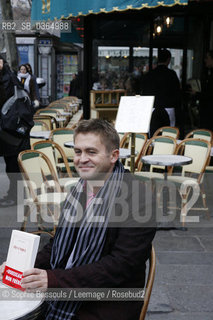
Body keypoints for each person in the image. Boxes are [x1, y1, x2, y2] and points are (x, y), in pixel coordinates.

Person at [0, 119, 156, 319]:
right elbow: (57, 245)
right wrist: (20, 266)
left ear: (113, 156)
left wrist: (54, 279)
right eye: (78, 151)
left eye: (91, 152)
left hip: (108, 301)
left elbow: (121, 265)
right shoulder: (79, 189)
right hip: (68, 284)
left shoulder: (139, 197)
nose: (82, 159)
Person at [0, 56, 31, 206]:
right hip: (13, 129)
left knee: (13, 164)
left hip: (13, 130)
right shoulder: (10, 77)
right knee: (11, 163)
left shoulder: (8, 78)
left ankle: (15, 196)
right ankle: (14, 194)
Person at [142, 49, 181, 136]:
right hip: (168, 108)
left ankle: (152, 149)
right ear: (168, 60)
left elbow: (144, 92)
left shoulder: (149, 75)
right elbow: (177, 93)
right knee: (169, 134)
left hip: (152, 107)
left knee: (152, 135)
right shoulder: (171, 74)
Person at [198, 50, 213, 130]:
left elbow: (209, 94)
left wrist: (197, 94)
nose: (205, 60)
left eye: (207, 58)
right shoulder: (208, 73)